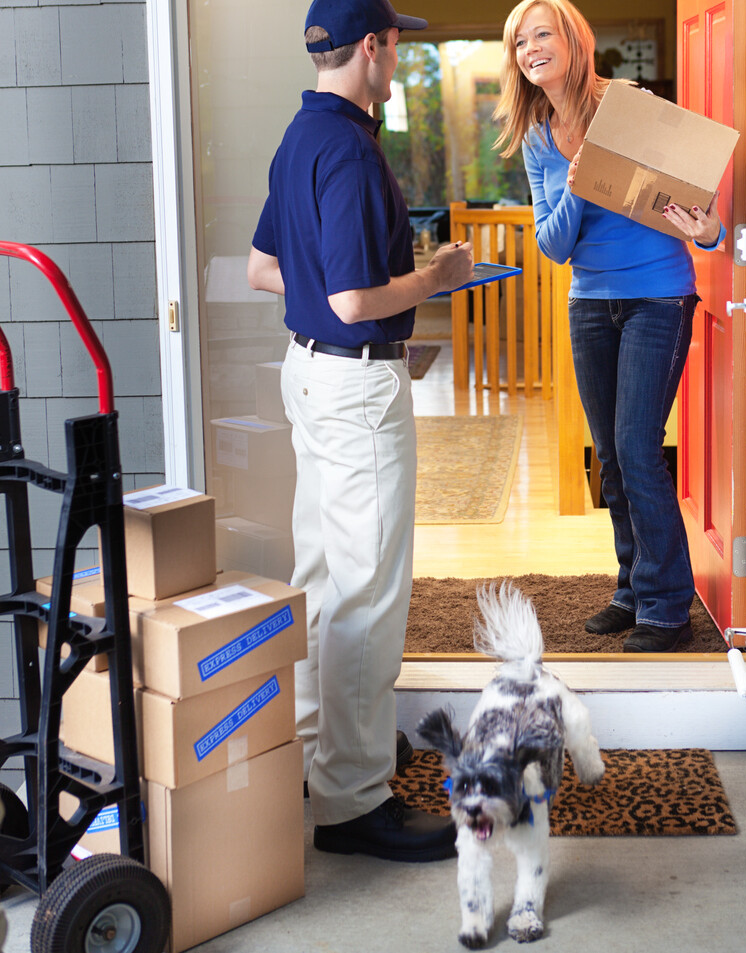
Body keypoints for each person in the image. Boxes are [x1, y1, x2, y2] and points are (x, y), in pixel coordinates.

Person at [247, 0, 473, 861]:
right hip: (353, 384)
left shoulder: (299, 137)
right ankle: (352, 800)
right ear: (372, 47)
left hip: (308, 376)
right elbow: (350, 300)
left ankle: (315, 756)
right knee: (368, 596)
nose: (397, 62)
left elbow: (264, 267)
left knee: (323, 572)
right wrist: (437, 275)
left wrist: (333, 304)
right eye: (394, 47)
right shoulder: (348, 149)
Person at [494, 0, 727, 652]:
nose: (531, 48)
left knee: (636, 446)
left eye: (541, 34)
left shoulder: (626, 105)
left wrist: (712, 231)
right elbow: (553, 244)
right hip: (590, 305)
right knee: (613, 458)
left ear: (572, 40)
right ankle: (631, 589)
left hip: (657, 298)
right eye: (519, 42)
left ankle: (666, 607)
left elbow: (697, 202)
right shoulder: (539, 138)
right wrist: (576, 183)